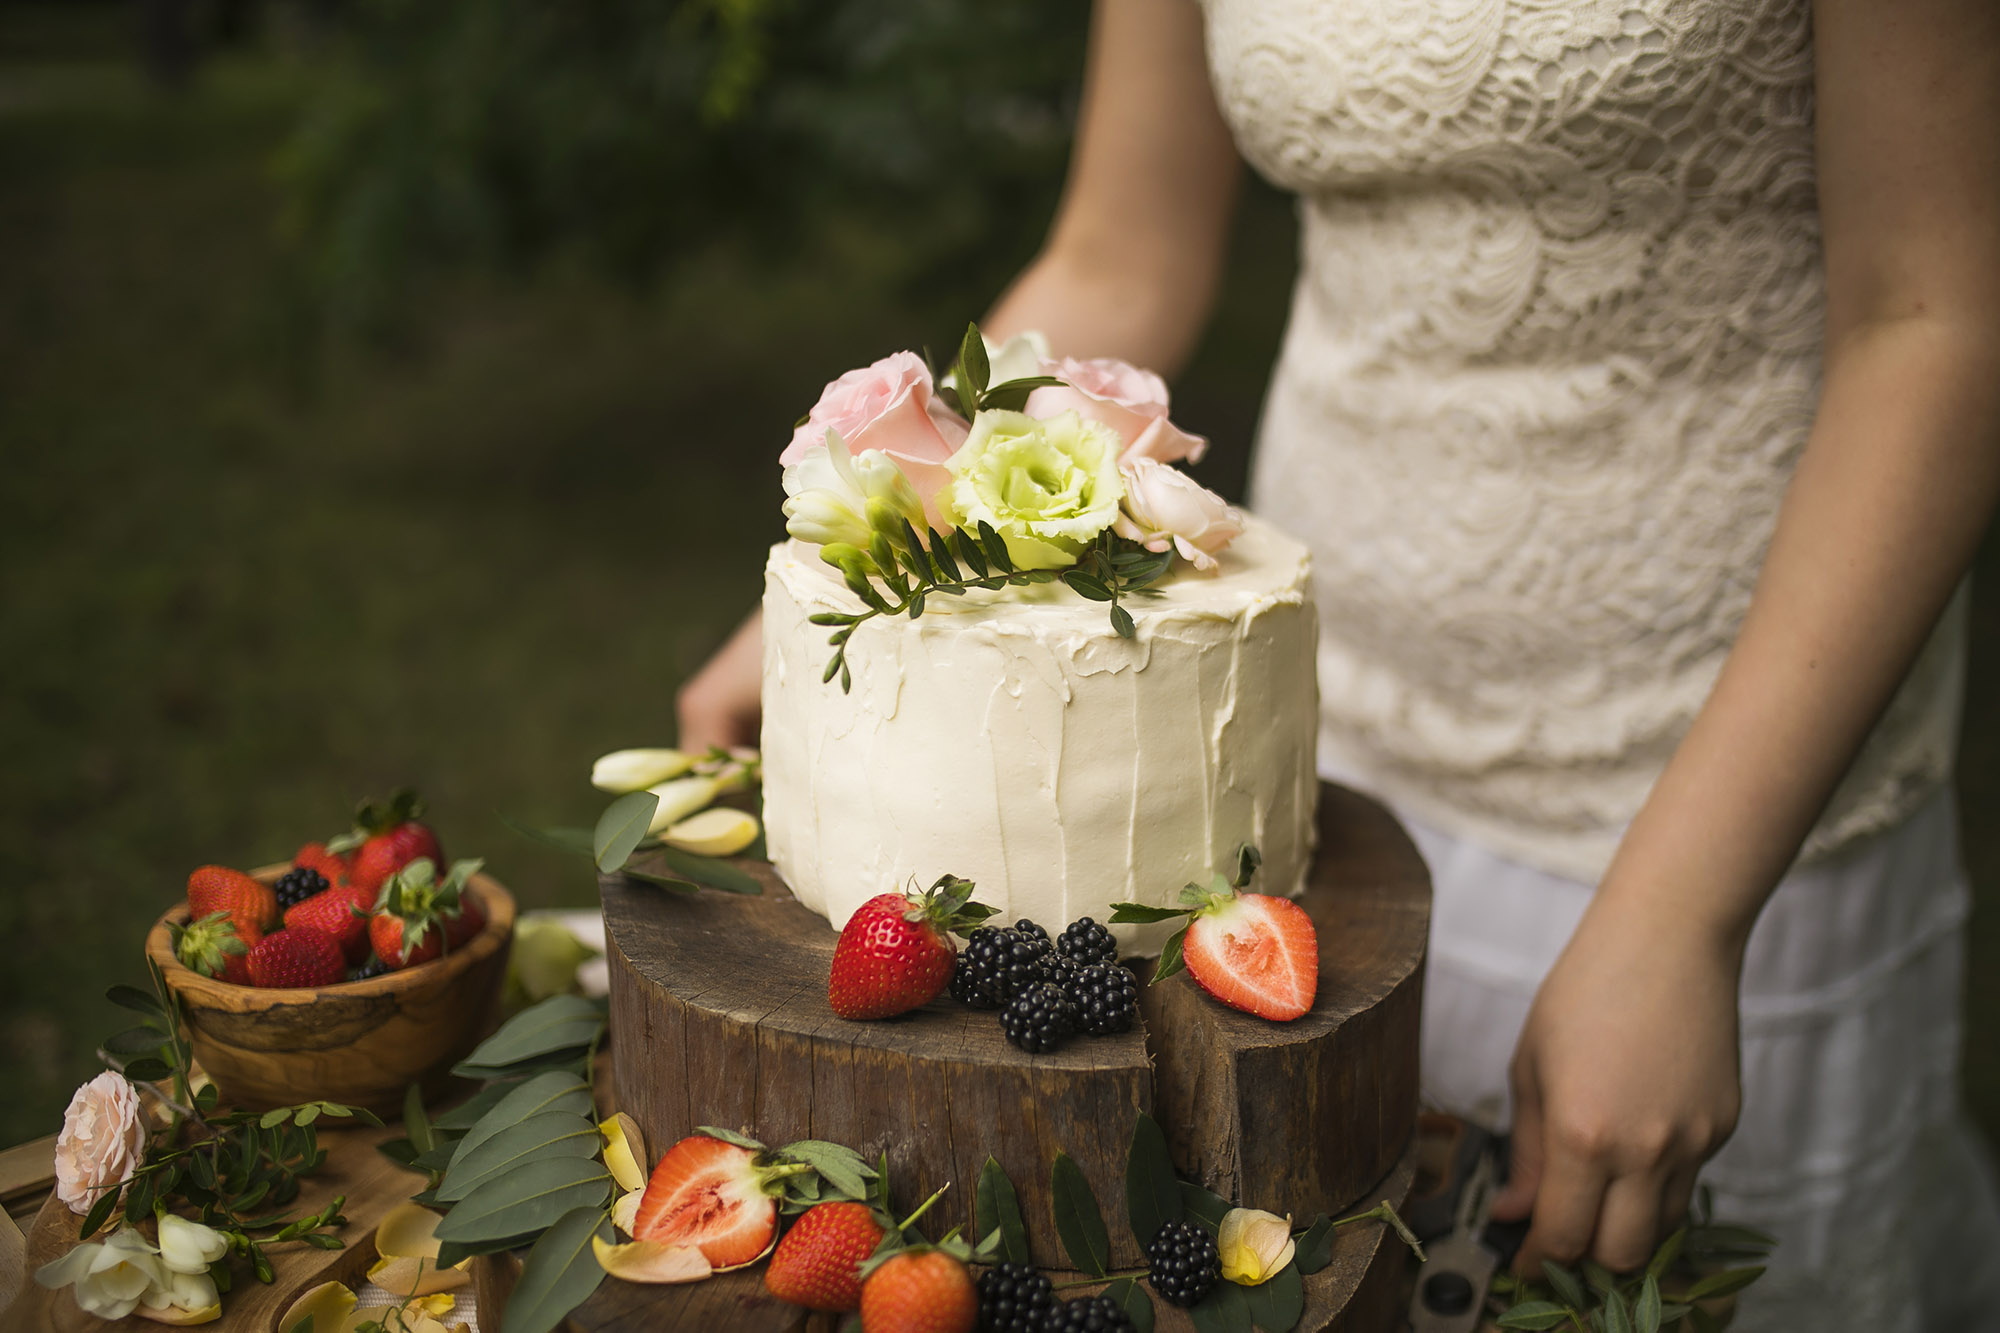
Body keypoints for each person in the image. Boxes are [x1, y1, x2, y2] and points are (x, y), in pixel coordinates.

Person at [679, 0, 2000, 1326]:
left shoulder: (1697, 881)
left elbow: (1936, 322)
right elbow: (1121, 252)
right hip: (1295, 786)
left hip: (1707, 787)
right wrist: (881, 544)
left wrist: (1685, 915)